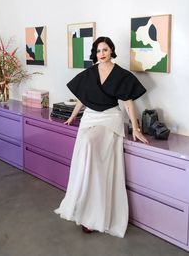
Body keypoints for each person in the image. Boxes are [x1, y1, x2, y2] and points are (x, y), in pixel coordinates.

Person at [54, 36, 148, 237]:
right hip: (89, 117)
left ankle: (96, 214)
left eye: (105, 49)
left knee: (90, 147)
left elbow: (129, 102)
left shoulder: (122, 75)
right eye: (98, 50)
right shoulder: (90, 73)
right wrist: (72, 116)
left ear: (111, 50)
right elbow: (81, 97)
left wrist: (136, 128)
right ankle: (83, 206)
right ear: (95, 53)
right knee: (85, 161)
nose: (102, 53)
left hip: (109, 118)